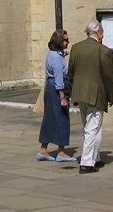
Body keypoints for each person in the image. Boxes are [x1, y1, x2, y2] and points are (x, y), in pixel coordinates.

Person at [66, 20, 113, 174]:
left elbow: (70, 73)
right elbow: (109, 77)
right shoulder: (103, 51)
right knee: (92, 129)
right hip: (95, 95)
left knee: (91, 128)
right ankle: (87, 163)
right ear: (98, 33)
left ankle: (96, 157)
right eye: (102, 33)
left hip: (80, 94)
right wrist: (111, 95)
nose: (102, 36)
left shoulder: (76, 48)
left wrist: (74, 89)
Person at [36, 29, 74, 162]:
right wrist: (62, 97)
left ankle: (43, 149)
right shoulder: (57, 58)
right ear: (59, 41)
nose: (68, 41)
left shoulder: (52, 54)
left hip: (50, 87)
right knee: (62, 119)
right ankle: (61, 151)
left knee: (50, 118)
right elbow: (59, 78)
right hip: (57, 89)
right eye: (65, 40)